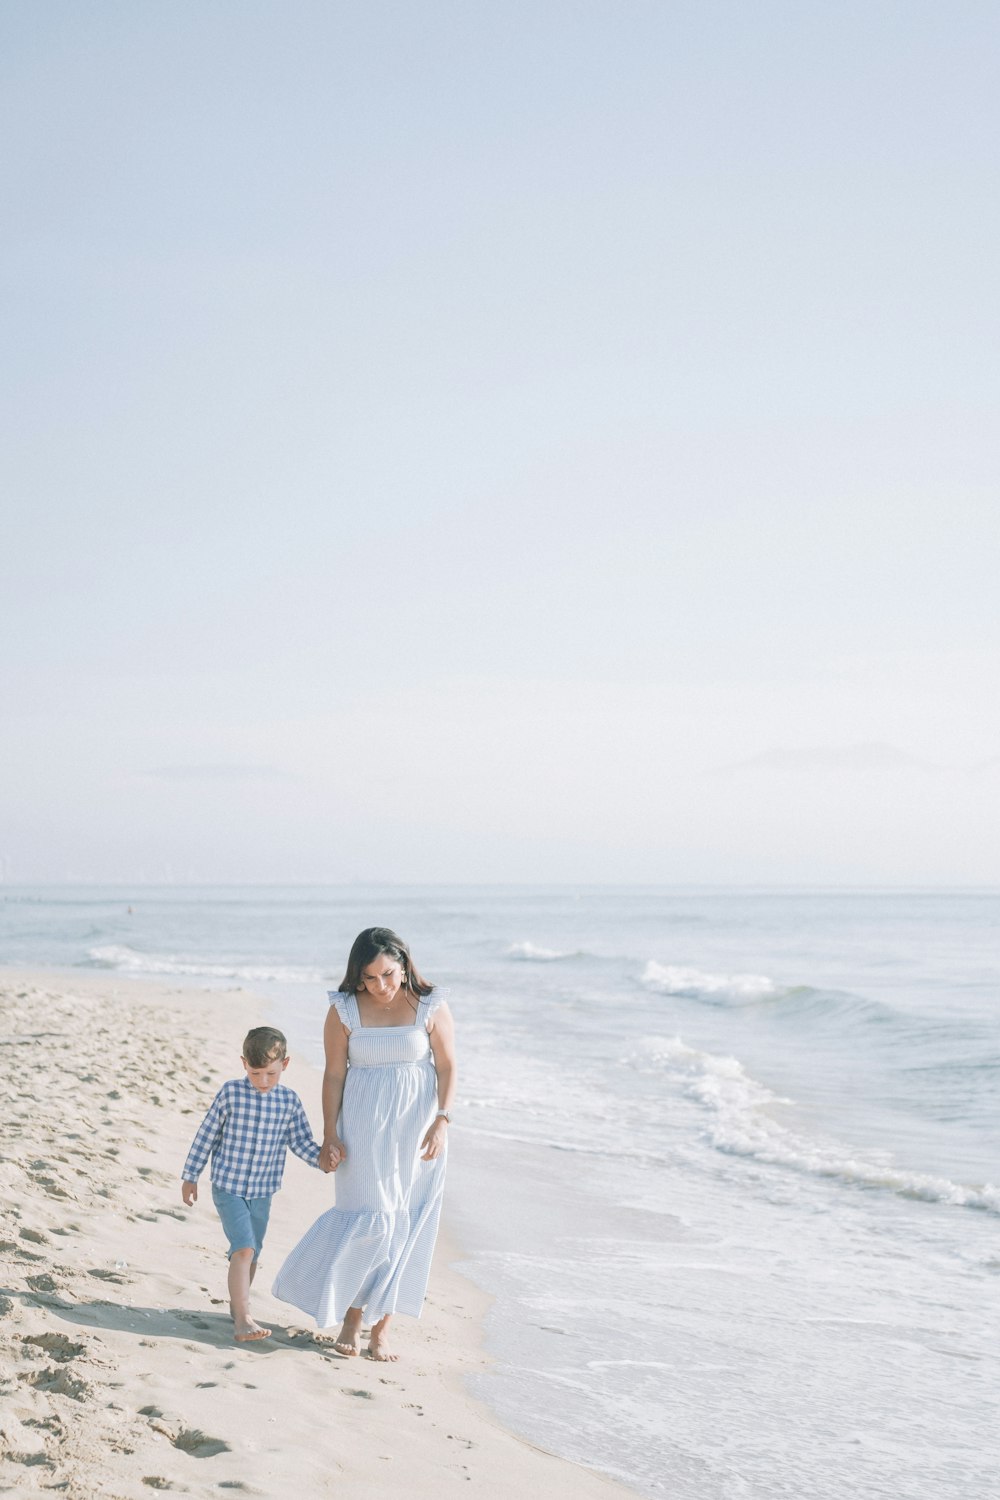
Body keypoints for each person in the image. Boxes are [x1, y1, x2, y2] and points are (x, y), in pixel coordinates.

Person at [271, 927, 456, 1361]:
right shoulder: (344, 1011)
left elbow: (447, 1066)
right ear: (357, 976)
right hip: (363, 1129)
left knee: (407, 1224)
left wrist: (443, 1120)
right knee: (371, 1220)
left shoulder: (431, 1005)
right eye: (370, 978)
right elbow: (334, 1074)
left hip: (419, 1130)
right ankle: (353, 1315)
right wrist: (330, 1133)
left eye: (389, 974)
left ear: (405, 964)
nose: (382, 986)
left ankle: (382, 1329)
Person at [181, 1025, 329, 1342]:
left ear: (285, 1065)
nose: (263, 1081)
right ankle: (243, 1319)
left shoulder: (289, 1101)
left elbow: (301, 1142)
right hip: (229, 1187)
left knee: (252, 1253)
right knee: (244, 1249)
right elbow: (207, 1135)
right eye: (256, 1073)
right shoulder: (230, 1093)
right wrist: (190, 1175)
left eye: (271, 1074)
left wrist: (322, 1160)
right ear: (244, 1064)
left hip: (263, 1191)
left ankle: (238, 1307)